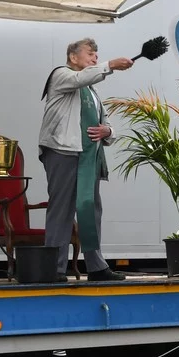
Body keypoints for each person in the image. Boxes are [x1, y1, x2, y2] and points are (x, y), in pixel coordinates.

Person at [38, 38, 134, 281]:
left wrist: (108, 131)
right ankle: (55, 268)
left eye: (97, 55)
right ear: (73, 57)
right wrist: (110, 65)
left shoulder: (92, 90)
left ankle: (96, 266)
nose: (94, 58)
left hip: (88, 155)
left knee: (90, 210)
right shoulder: (61, 75)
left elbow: (106, 122)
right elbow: (81, 78)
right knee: (62, 209)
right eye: (90, 54)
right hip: (63, 151)